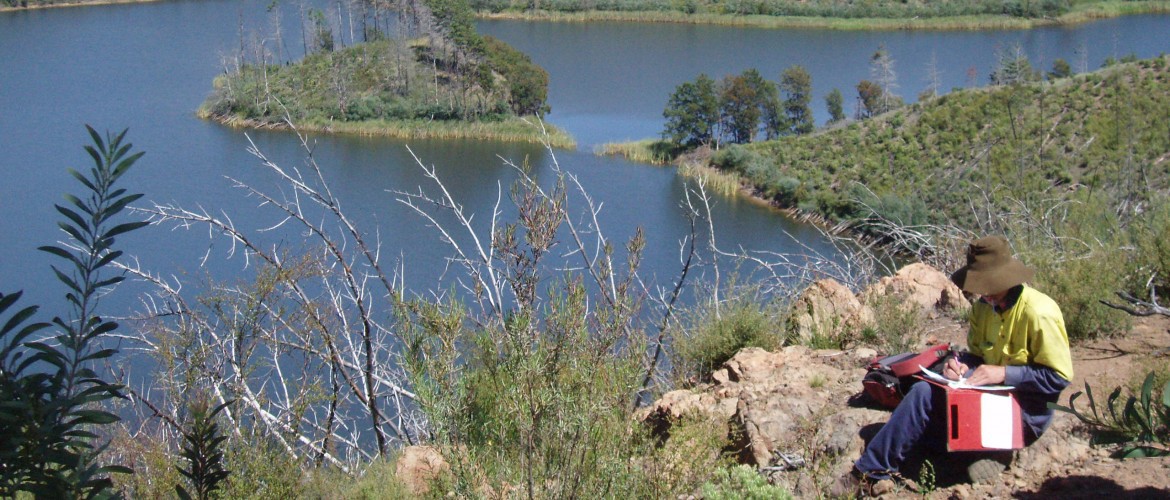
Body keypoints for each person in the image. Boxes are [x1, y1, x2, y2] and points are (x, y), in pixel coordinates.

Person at [836, 235, 1074, 497]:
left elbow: (1057, 378)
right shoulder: (983, 308)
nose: (985, 293)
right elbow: (977, 357)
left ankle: (990, 452)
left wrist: (1004, 373)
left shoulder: (1039, 312)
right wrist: (958, 364)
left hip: (1024, 413)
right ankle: (871, 472)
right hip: (986, 397)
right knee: (923, 393)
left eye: (990, 285)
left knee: (927, 430)